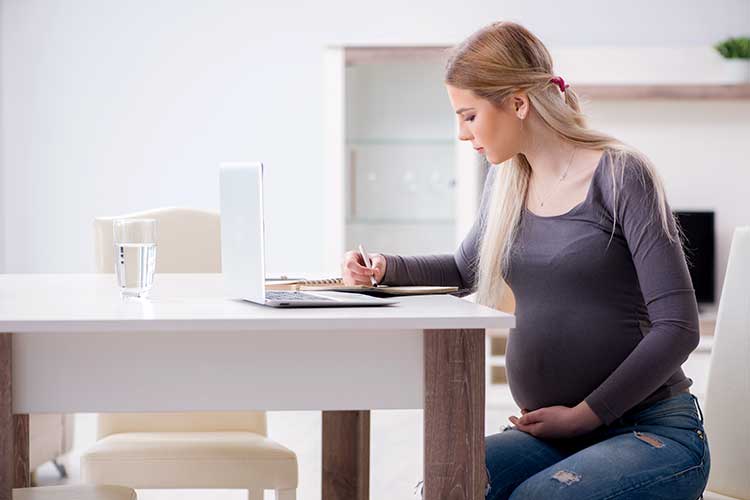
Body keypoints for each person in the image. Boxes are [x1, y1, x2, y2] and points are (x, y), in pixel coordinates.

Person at [340, 21, 710, 500]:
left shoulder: (621, 175)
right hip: (557, 439)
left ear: (518, 103)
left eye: (469, 115)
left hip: (650, 430)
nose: (460, 133)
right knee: (447, 482)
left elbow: (679, 326)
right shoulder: (509, 180)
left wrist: (585, 415)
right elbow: (464, 271)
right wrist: (382, 269)